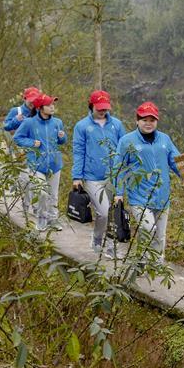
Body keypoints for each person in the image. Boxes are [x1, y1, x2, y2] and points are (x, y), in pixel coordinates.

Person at [116, 101, 180, 264]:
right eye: (144, 119)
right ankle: (142, 261)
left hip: (162, 196)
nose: (148, 123)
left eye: (152, 120)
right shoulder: (127, 141)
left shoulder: (164, 139)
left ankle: (157, 264)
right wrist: (118, 193)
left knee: (160, 234)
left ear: (157, 121)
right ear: (137, 120)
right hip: (139, 197)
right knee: (148, 228)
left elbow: (176, 162)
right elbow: (119, 167)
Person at [71, 90, 126, 256]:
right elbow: (79, 152)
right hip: (91, 177)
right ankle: (96, 237)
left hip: (113, 176)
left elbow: (124, 148)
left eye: (105, 108)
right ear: (91, 105)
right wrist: (77, 176)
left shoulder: (117, 125)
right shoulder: (82, 126)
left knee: (113, 213)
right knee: (103, 212)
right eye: (99, 108)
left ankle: (110, 247)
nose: (103, 111)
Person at [13, 93, 67, 232]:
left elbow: (61, 141)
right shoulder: (29, 122)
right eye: (49, 105)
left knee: (53, 195)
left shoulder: (57, 122)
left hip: (55, 165)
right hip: (36, 165)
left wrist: (62, 137)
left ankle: (53, 220)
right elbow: (18, 138)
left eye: (53, 104)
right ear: (40, 108)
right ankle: (42, 219)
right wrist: (31, 143)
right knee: (42, 193)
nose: (52, 107)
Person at [3, 87, 40, 216]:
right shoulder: (16, 111)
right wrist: (15, 120)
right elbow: (5, 126)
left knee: (36, 179)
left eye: (35, 101)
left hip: (36, 150)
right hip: (19, 151)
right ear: (24, 98)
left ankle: (36, 208)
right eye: (30, 100)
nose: (32, 103)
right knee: (24, 180)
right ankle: (25, 206)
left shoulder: (39, 112)